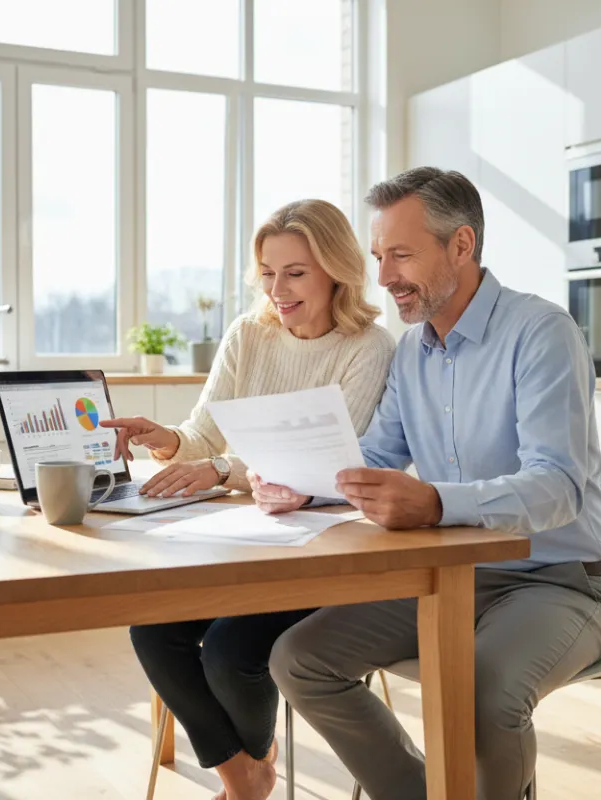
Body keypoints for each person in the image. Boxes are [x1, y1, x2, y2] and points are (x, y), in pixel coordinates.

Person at [250, 168, 601, 800]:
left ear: (461, 246)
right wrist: (306, 485)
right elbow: (375, 454)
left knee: (480, 689)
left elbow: (558, 485)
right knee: (299, 659)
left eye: (402, 254)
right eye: (379, 256)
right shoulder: (411, 353)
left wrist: (436, 503)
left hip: (560, 578)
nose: (385, 274)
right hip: (452, 578)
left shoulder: (540, 334)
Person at [101, 198, 395, 800]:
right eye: (266, 272)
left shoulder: (368, 347)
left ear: (336, 269)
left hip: (329, 549)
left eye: (294, 273)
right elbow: (204, 436)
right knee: (153, 629)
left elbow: (341, 467)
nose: (277, 290)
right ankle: (247, 775)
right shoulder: (248, 332)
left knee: (232, 651)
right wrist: (170, 441)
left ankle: (247, 776)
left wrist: (223, 470)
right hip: (250, 540)